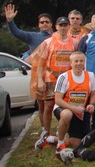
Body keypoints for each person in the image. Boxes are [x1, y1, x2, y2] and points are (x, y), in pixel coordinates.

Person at [32, 16, 78, 151]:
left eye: (65, 25)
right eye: (60, 25)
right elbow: (40, 63)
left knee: (66, 105)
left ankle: (62, 130)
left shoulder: (74, 42)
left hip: (66, 79)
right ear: (56, 27)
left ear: (68, 27)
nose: (63, 28)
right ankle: (45, 132)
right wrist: (40, 80)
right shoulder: (48, 42)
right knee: (48, 106)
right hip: (51, 78)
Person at [52, 51, 95, 162]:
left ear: (84, 62)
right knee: (67, 114)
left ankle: (51, 139)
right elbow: (58, 99)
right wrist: (73, 108)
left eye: (81, 61)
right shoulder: (64, 77)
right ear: (71, 63)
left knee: (77, 143)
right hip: (64, 108)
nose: (79, 63)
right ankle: (60, 144)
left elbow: (94, 94)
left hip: (80, 112)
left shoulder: (90, 75)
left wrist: (92, 104)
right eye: (76, 61)